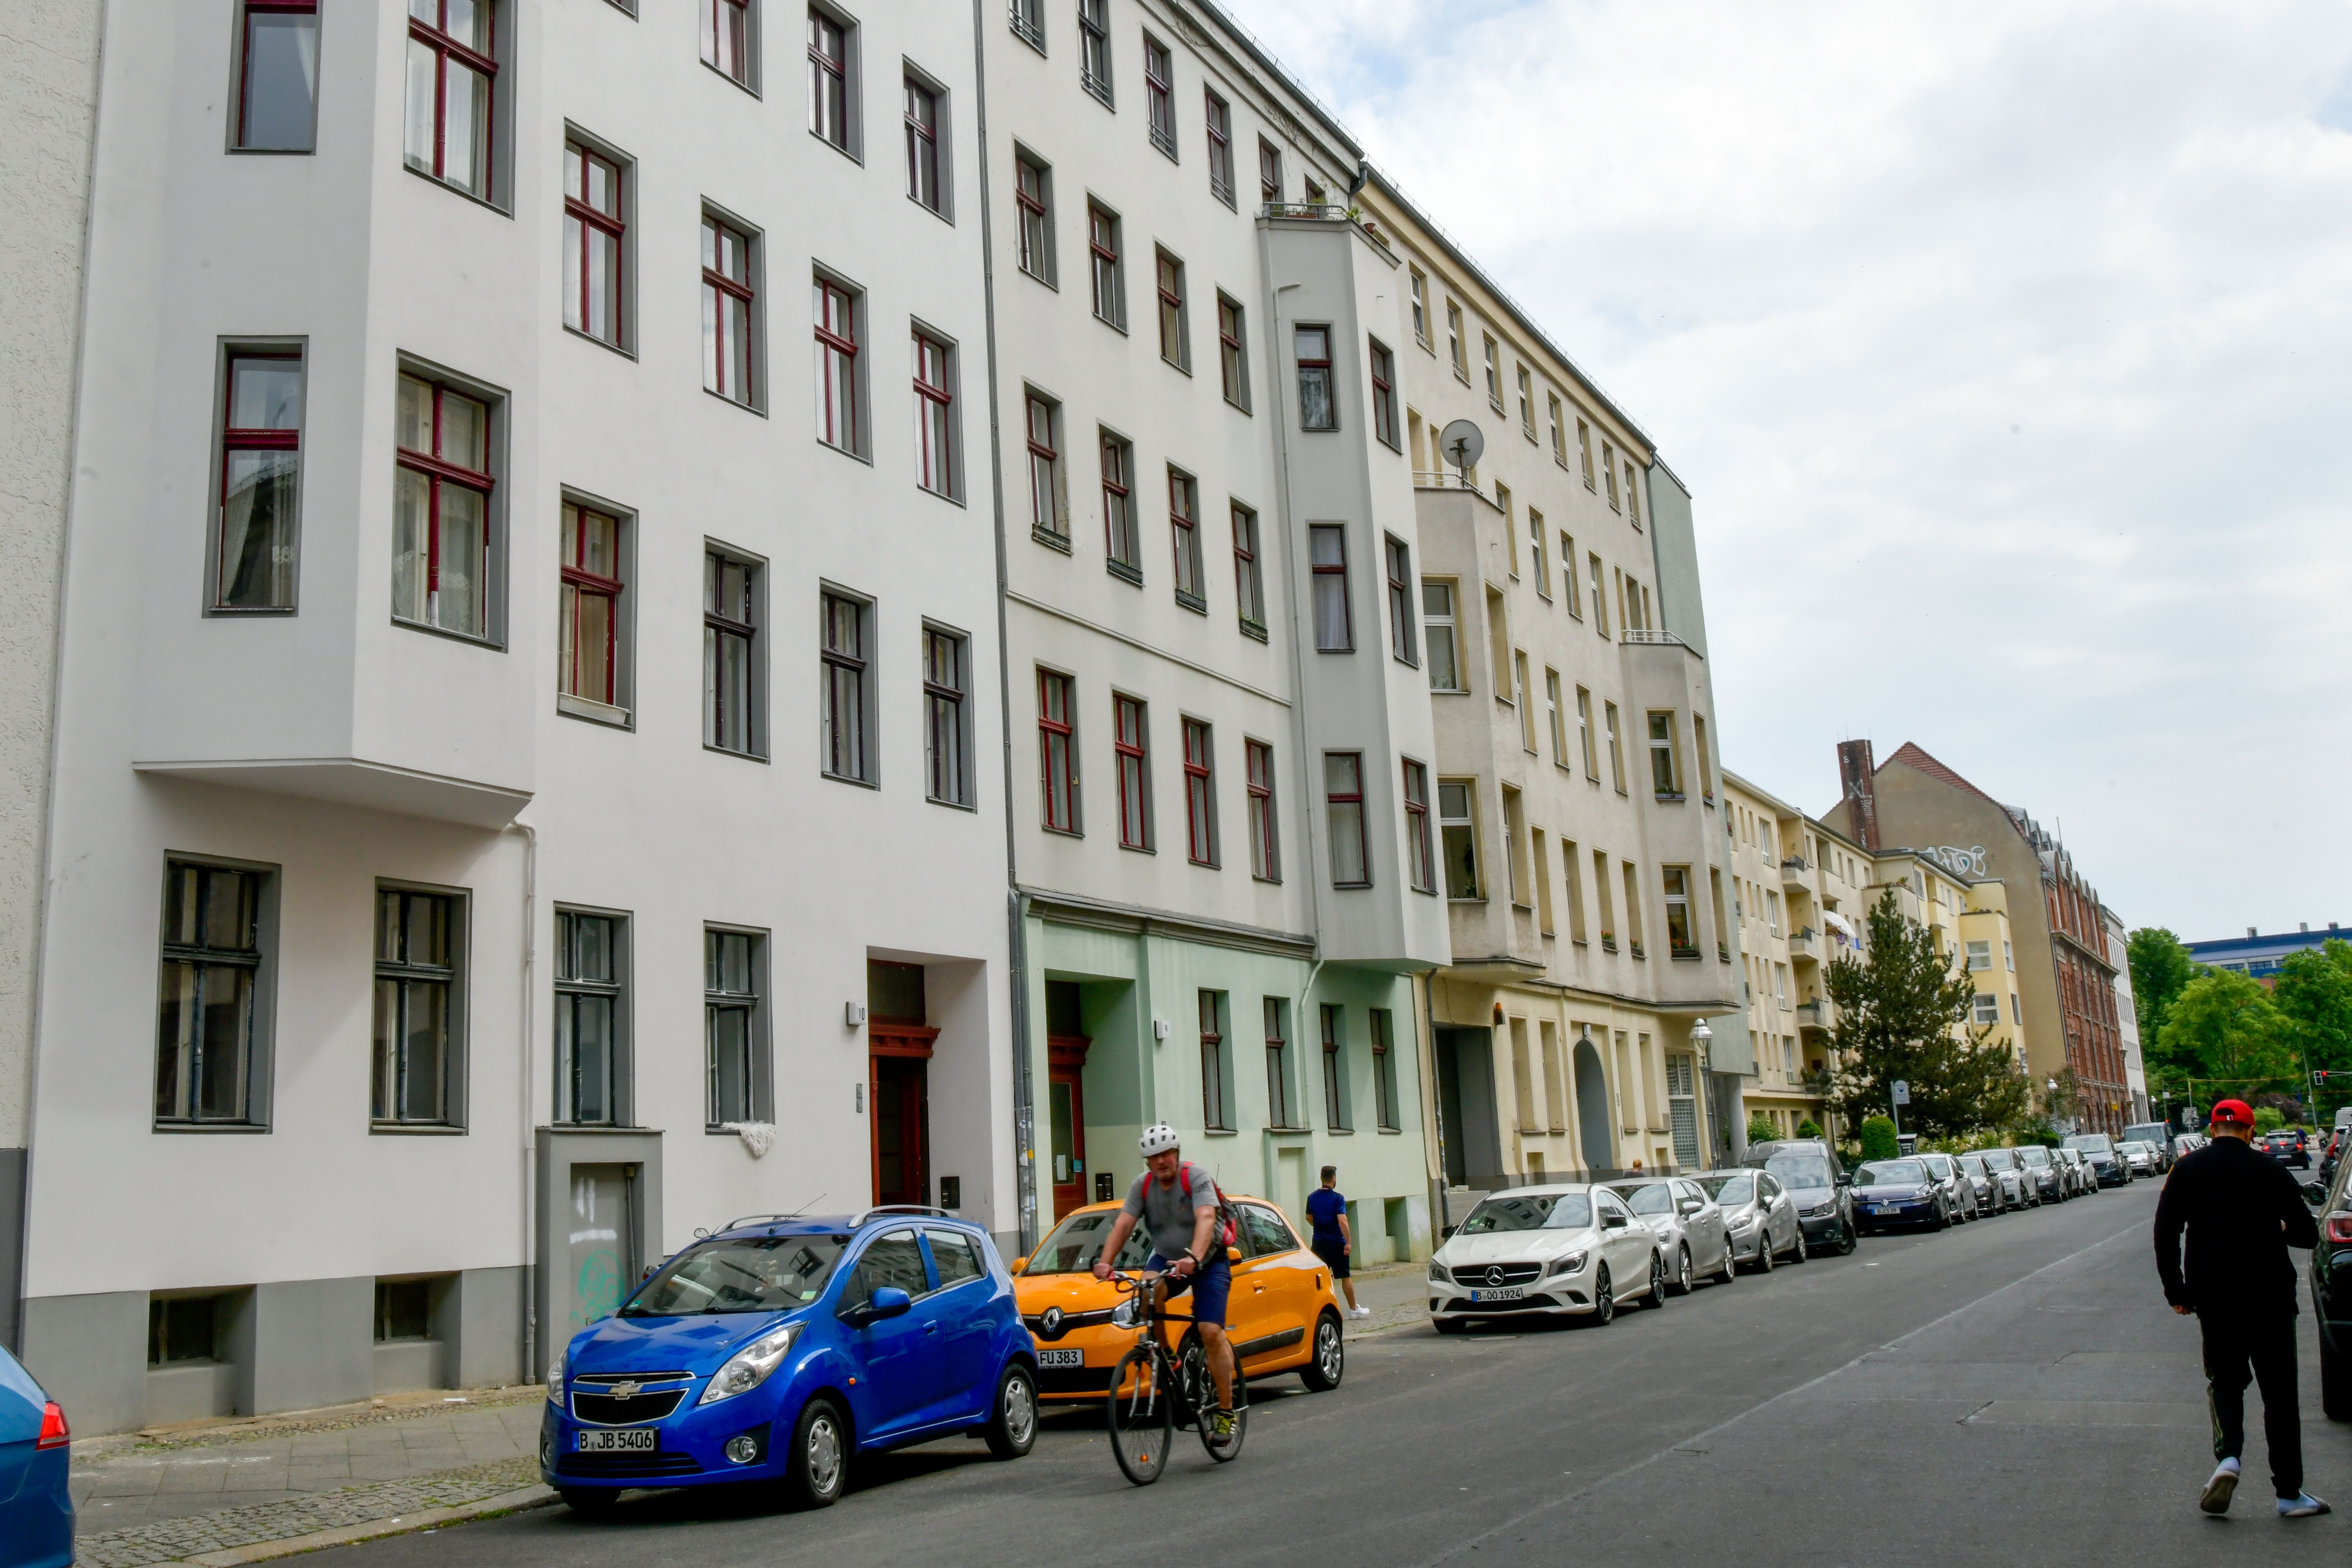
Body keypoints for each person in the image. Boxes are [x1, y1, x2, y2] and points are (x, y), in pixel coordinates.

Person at [2154, 1098, 2327, 1518]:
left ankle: (2228, 1457)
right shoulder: (2270, 1169)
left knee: (2225, 1380)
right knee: (2280, 1393)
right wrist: (2279, 1227)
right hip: (2270, 1296)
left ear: (2213, 1129)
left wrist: (2177, 1291)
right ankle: (2289, 1493)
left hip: (2214, 1297)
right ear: (2251, 1131)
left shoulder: (2187, 1169)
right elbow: (2307, 1235)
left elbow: (2166, 1232)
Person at [1093, 1124, 1238, 1439]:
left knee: (1210, 1332)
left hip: (1208, 1261)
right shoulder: (1142, 1187)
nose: (1161, 1162)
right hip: (1165, 1259)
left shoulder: (1195, 1178)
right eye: (1154, 1157)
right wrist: (1106, 1262)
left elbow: (1206, 1218)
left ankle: (1226, 1413)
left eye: (1166, 1154)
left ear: (1177, 1154)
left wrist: (1195, 1258)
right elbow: (1124, 1224)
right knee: (1146, 1294)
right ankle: (1167, 1355)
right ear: (1148, 1162)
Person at [1305, 1166, 1373, 1321]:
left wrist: (1319, 1226)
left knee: (1319, 1278)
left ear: (1322, 1178)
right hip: (1337, 1243)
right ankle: (1353, 1309)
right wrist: (1348, 1242)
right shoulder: (1338, 1198)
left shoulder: (1312, 1197)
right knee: (1345, 1276)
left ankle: (1315, 1310)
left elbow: (1309, 1218)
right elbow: (1342, 1221)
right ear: (1334, 1179)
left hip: (1319, 1243)